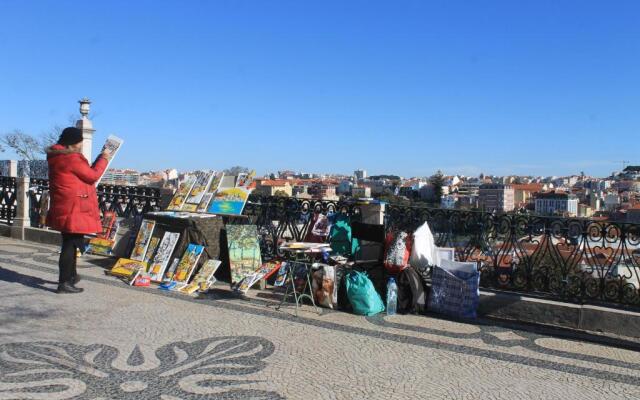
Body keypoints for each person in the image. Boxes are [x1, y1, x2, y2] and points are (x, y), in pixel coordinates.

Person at [46, 127, 112, 294]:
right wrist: (104, 158)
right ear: (74, 143)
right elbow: (92, 176)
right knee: (70, 244)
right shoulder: (71, 158)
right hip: (74, 207)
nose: (82, 144)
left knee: (72, 242)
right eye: (80, 141)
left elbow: (83, 174)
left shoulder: (56, 156)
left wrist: (98, 157)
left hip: (64, 205)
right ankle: (64, 282)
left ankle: (71, 276)